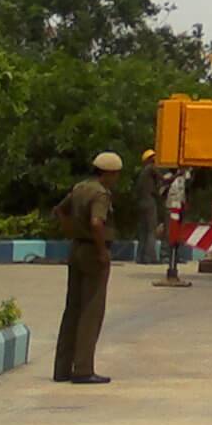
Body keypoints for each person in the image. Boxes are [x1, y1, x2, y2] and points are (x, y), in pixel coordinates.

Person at [52, 151, 122, 384]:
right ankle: (83, 369)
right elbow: (96, 222)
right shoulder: (101, 193)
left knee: (72, 308)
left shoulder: (80, 188)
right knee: (91, 311)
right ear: (109, 173)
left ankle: (62, 368)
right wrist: (102, 251)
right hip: (93, 251)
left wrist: (71, 231)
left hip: (77, 248)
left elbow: (60, 210)